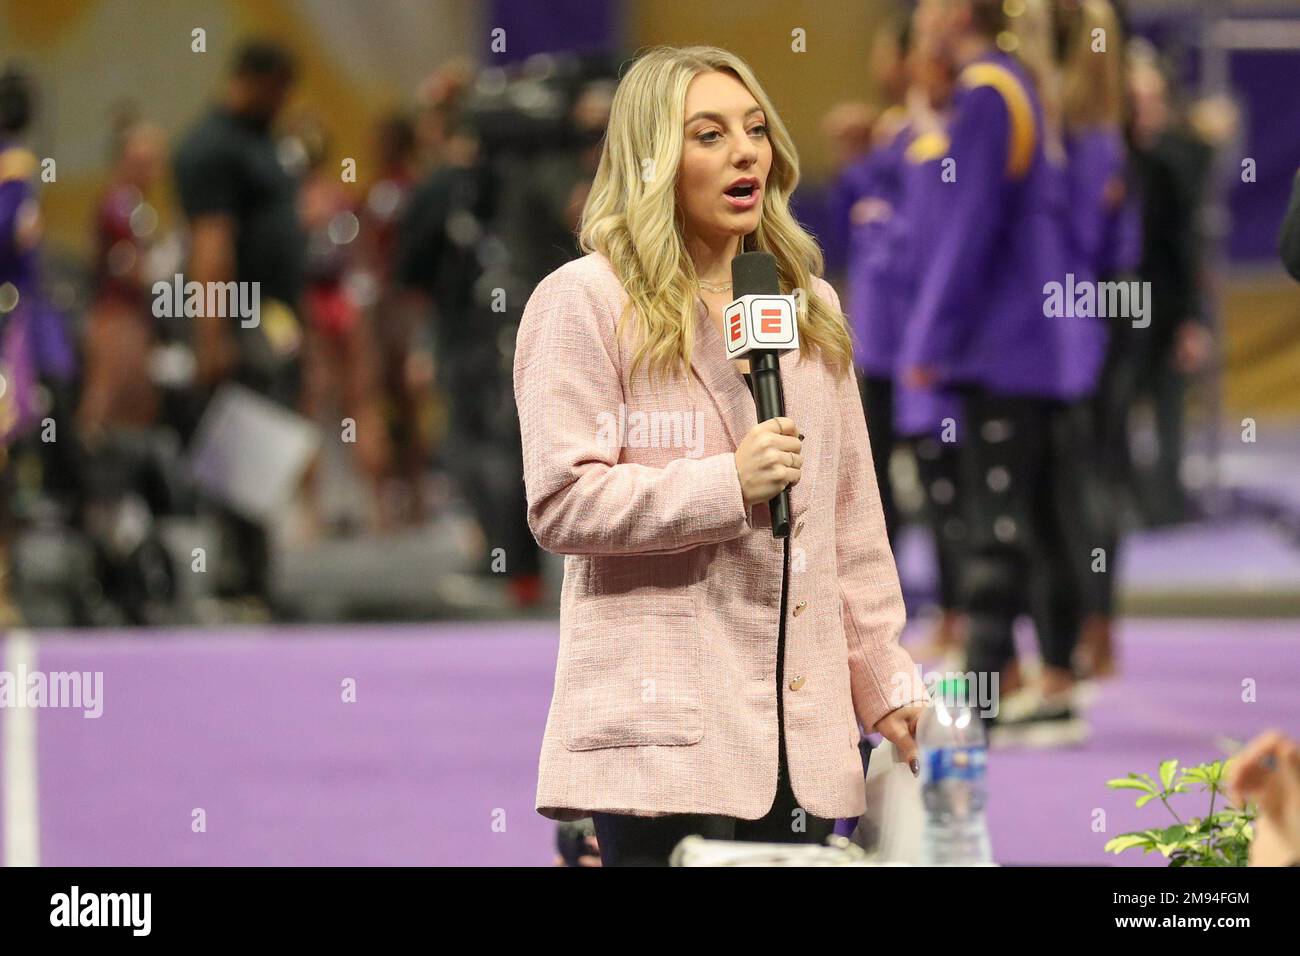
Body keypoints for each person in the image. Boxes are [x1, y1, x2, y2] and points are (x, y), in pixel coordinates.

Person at [513, 45, 927, 866]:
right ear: (653, 159)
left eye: (754, 130)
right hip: (660, 739)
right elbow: (560, 500)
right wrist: (724, 485)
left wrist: (887, 687)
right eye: (708, 135)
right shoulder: (583, 301)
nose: (745, 152)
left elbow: (849, 528)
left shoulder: (807, 306)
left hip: (804, 750)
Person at [172, 39, 305, 609]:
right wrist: (213, 333)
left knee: (263, 444)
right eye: (279, 89)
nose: (284, 102)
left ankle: (253, 574)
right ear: (254, 79)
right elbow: (211, 246)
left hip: (270, 320)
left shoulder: (258, 140)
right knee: (239, 443)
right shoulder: (211, 148)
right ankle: (234, 579)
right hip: (238, 318)